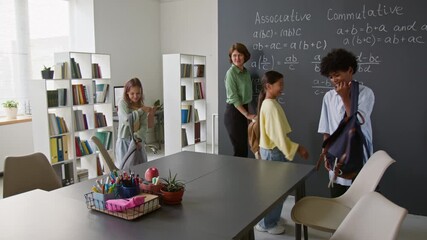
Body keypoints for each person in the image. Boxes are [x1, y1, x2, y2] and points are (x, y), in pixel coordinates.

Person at [255, 70, 309, 235]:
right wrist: (297, 148)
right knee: (277, 191)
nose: (282, 87)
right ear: (268, 86)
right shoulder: (270, 106)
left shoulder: (268, 102)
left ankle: (268, 219)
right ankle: (268, 223)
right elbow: (277, 136)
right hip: (273, 153)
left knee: (273, 190)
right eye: (280, 84)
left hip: (269, 151)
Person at [318, 48, 375, 198]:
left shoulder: (365, 93)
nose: (334, 80)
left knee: (360, 199)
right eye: (330, 77)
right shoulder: (328, 97)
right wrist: (326, 154)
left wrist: (344, 97)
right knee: (337, 197)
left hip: (359, 155)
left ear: (350, 70)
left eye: (337, 74)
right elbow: (326, 128)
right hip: (336, 156)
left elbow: (356, 122)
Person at [224, 42, 256, 157]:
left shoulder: (245, 72)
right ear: (231, 57)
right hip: (233, 112)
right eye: (234, 55)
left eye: (240, 55)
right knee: (239, 149)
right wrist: (247, 114)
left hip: (243, 110)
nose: (237, 58)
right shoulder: (231, 73)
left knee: (244, 147)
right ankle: (236, 174)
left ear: (245, 56)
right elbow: (234, 98)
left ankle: (242, 174)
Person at [115, 77, 156, 168]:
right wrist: (141, 111)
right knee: (125, 170)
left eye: (138, 93)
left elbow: (144, 126)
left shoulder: (141, 106)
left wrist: (137, 138)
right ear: (127, 92)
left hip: (137, 141)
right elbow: (127, 120)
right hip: (124, 141)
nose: (135, 96)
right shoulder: (122, 103)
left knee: (141, 168)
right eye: (132, 93)